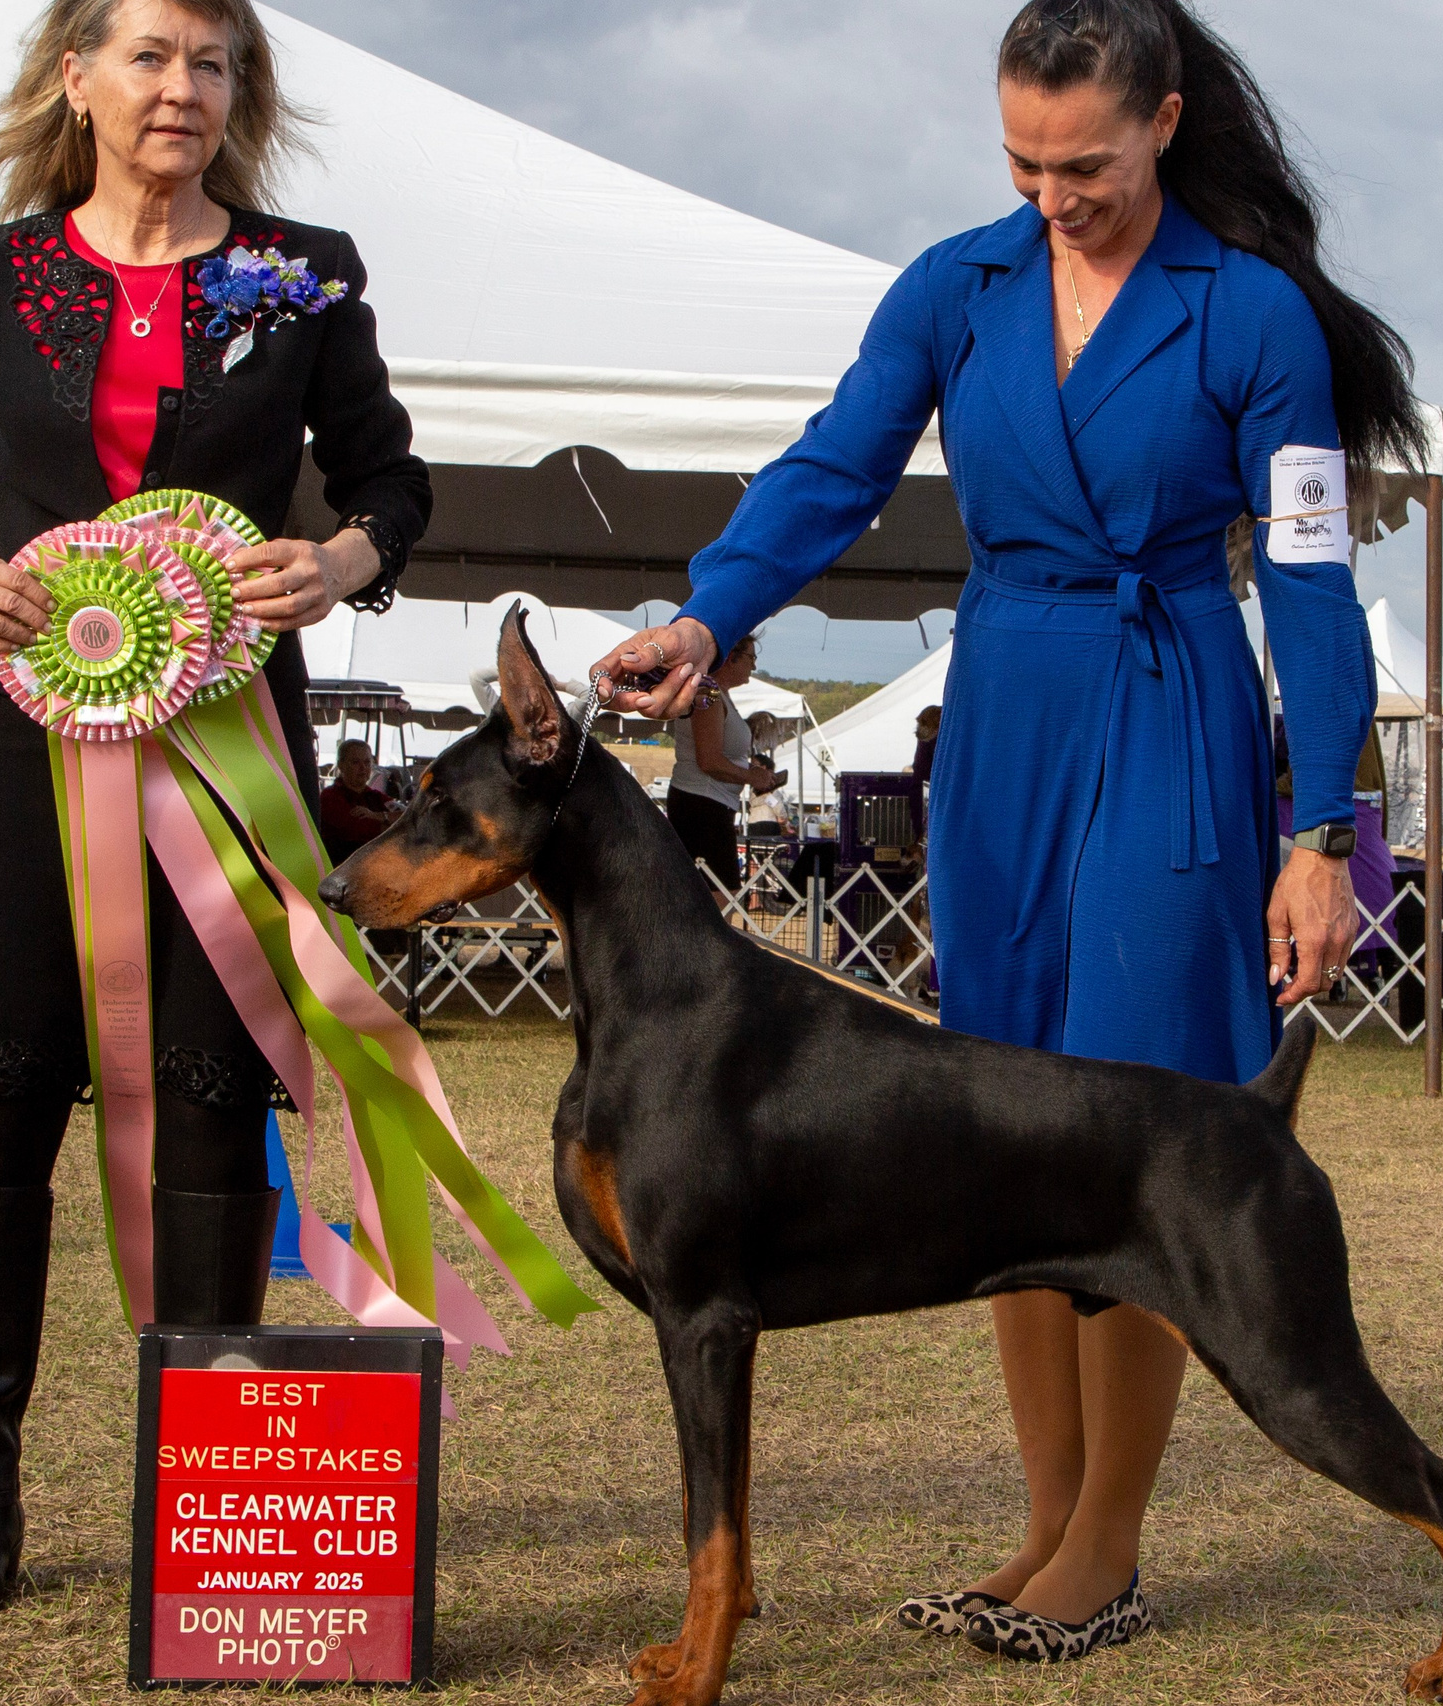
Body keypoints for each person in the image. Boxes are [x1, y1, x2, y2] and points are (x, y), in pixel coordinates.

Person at [591, 0, 1398, 1660]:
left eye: (1085, 164)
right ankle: (1041, 1522)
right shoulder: (952, 287)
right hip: (1006, 703)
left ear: (1165, 123)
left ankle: (1105, 1546)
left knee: (1131, 1129)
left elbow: (1312, 584)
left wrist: (1323, 824)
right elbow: (834, 470)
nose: (1052, 195)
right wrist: (709, 611)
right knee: (1001, 1127)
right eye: (1023, 161)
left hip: (1172, 692)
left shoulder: (1251, 317)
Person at [0, 0, 429, 1619]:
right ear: (78, 78)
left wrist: (333, 563)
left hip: (227, 742)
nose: (184, 88)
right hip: (18, 745)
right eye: (152, 56)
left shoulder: (303, 269)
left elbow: (395, 485)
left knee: (207, 1098)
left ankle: (210, 1482)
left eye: (213, 61)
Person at [664, 634, 784, 896]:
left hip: (709, 805)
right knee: (719, 898)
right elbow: (708, 760)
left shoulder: (718, 694)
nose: (753, 666)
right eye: (751, 658)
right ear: (730, 658)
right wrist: (752, 777)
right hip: (701, 806)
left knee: (716, 897)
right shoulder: (709, 694)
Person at [319, 737, 402, 863]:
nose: (363, 768)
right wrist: (391, 825)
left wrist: (378, 816)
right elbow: (356, 830)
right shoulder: (329, 797)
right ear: (341, 765)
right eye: (355, 762)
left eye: (367, 762)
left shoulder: (375, 796)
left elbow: (409, 815)